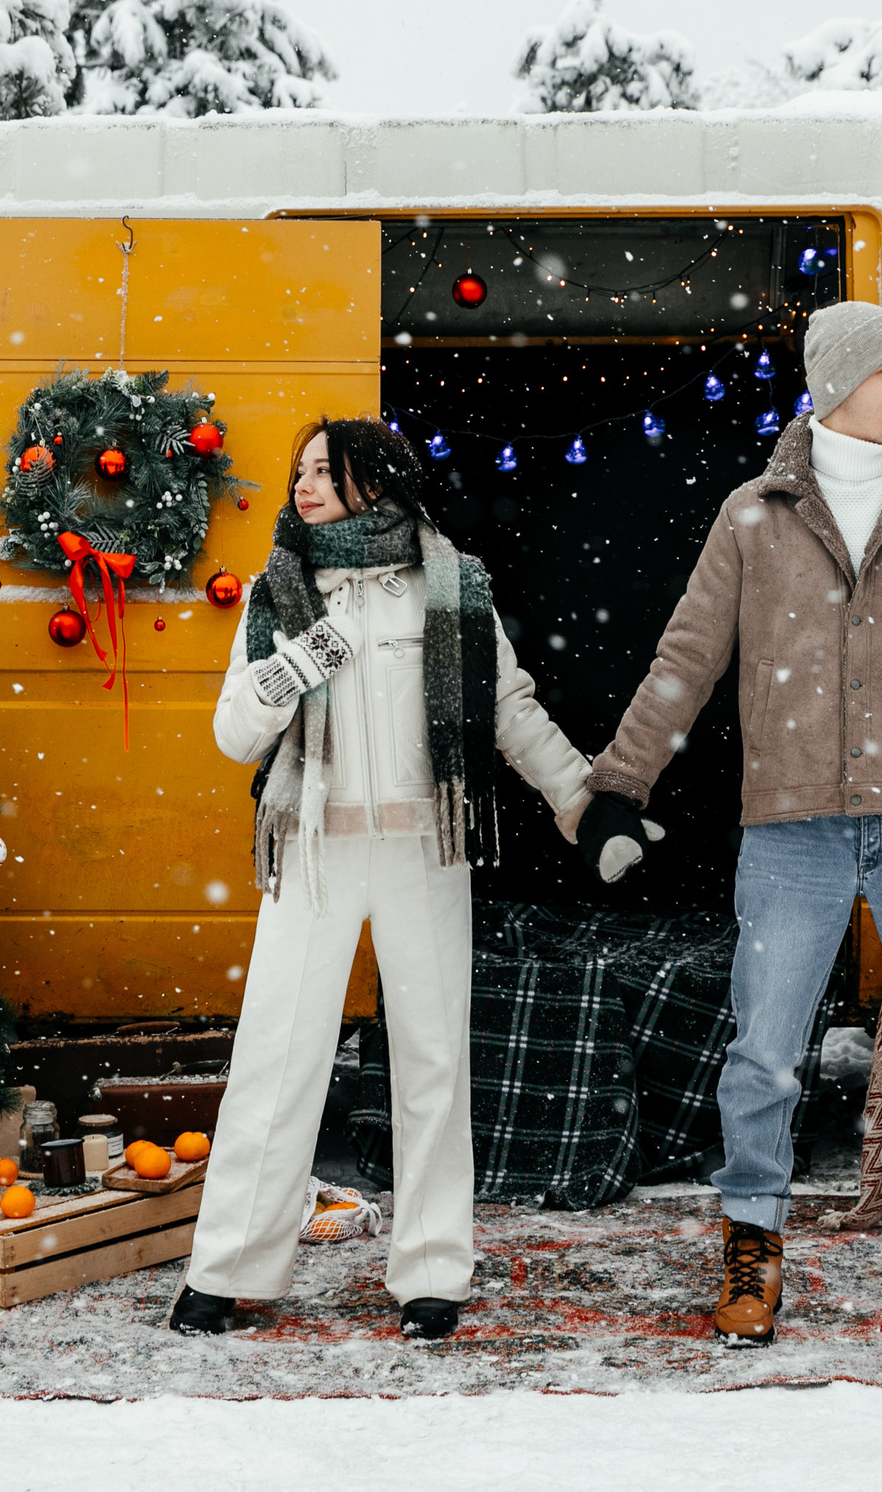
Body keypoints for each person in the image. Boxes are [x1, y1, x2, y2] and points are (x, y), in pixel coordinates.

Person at [580, 300, 882, 1347]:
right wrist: (621, 782)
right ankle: (753, 1237)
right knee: (764, 1052)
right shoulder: (756, 512)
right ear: (836, 380)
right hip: (791, 826)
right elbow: (684, 659)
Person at [170, 417, 614, 1341]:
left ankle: (431, 1276)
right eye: (298, 472)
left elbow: (509, 709)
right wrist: (293, 664)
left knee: (432, 1064)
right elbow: (231, 736)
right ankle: (226, 1271)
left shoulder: (452, 587)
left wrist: (583, 799)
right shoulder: (276, 591)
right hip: (313, 852)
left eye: (324, 471)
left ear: (378, 478)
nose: (305, 486)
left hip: (422, 849)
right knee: (275, 1060)